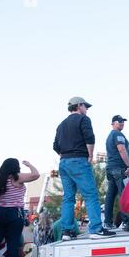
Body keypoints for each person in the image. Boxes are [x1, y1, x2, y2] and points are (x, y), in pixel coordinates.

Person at [53, 97, 115, 240]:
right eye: (85, 106)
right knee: (90, 195)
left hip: (64, 163)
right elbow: (90, 138)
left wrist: (65, 155)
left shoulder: (61, 124)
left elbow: (55, 146)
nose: (86, 109)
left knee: (68, 198)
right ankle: (96, 229)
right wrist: (90, 155)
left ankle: (67, 232)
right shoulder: (83, 119)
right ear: (79, 106)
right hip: (79, 160)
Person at [104, 115, 129, 229]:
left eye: (123, 121)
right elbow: (121, 149)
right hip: (119, 168)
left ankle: (108, 222)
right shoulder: (117, 134)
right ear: (113, 123)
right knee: (123, 194)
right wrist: (128, 165)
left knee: (110, 196)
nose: (122, 123)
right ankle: (126, 221)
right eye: (119, 121)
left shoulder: (110, 136)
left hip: (110, 168)